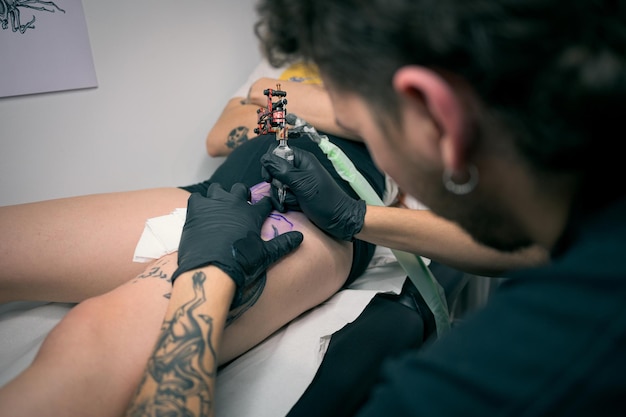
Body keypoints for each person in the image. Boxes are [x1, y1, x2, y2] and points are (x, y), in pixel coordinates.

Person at [254, 0, 626, 415]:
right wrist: (355, 217)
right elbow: (538, 250)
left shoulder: (481, 389)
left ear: (435, 116)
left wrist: (207, 292)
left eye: (361, 128)